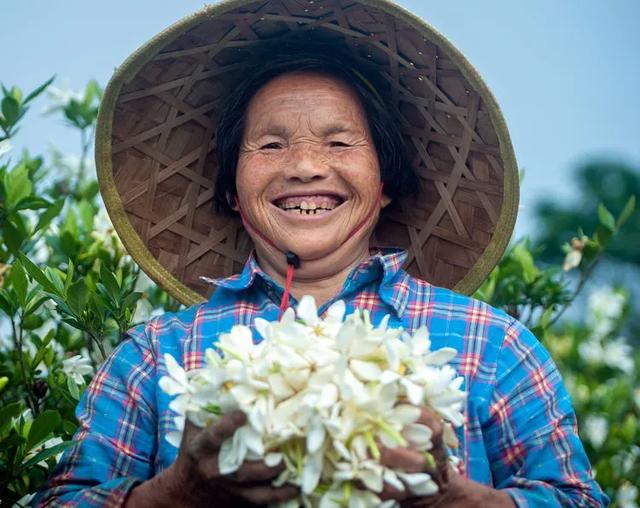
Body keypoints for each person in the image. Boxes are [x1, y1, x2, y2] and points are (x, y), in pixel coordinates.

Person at [36, 1, 608, 506]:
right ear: (233, 192)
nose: (306, 165)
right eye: (270, 144)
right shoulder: (155, 357)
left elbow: (577, 498)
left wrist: (452, 499)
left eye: (339, 142)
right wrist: (178, 494)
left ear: (384, 182)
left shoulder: (492, 346)